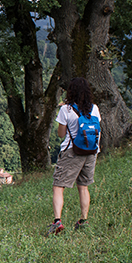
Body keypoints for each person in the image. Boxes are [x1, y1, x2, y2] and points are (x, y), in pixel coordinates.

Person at [49, 76, 101, 235]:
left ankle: (57, 221)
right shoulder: (94, 108)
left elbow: (60, 134)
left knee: (59, 186)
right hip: (91, 151)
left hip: (72, 151)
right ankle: (83, 221)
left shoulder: (67, 109)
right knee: (83, 186)